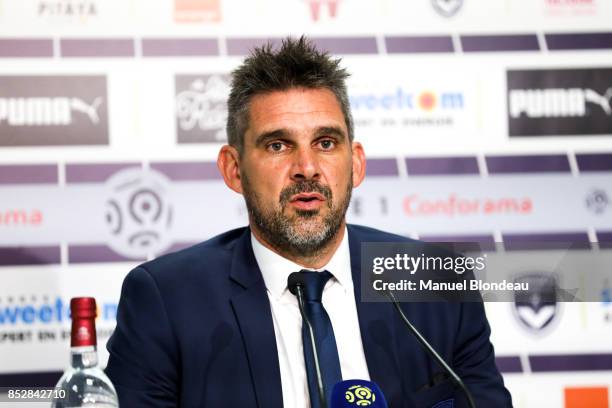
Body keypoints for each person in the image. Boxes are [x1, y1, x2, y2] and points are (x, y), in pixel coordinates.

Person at [105, 36, 512, 407]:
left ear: (355, 164)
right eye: (278, 145)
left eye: (326, 143)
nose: (307, 168)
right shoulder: (167, 301)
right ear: (233, 169)